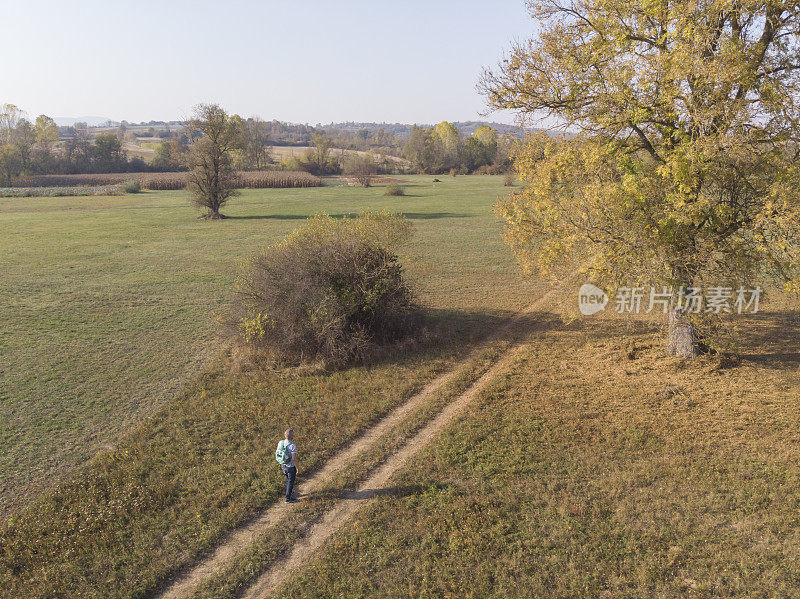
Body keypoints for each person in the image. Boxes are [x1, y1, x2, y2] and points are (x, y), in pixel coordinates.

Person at [276, 428, 299, 503]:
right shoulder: (292, 445)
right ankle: (288, 498)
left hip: (283, 464)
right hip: (290, 466)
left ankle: (289, 492)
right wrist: (297, 467)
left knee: (288, 479)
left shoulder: (280, 442)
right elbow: (294, 458)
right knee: (290, 481)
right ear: (292, 436)